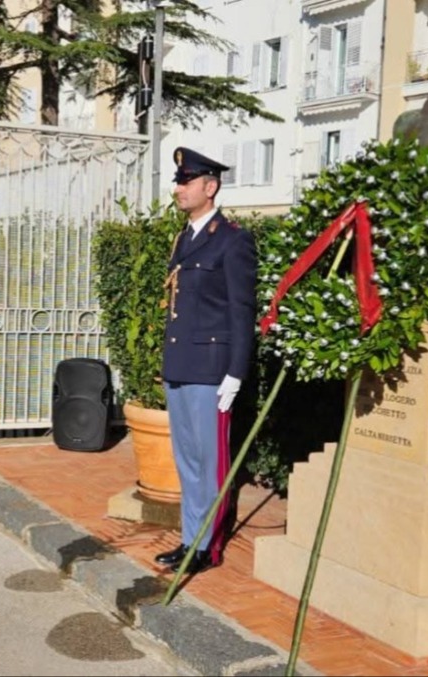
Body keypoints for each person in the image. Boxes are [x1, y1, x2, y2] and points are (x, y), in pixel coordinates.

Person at [154, 147, 258, 575]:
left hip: (211, 369)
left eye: (186, 181)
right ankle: (189, 537)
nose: (178, 188)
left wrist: (236, 371)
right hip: (181, 364)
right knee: (186, 461)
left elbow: (241, 310)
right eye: (178, 181)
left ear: (209, 186)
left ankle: (206, 547)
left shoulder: (232, 240)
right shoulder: (185, 238)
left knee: (209, 463)